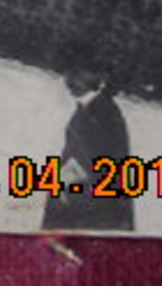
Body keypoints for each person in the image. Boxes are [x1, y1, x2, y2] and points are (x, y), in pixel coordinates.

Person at [41, 66, 135, 233]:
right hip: (85, 198)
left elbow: (97, 158)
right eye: (69, 73)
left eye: (79, 73)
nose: (69, 78)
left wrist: (64, 180)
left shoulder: (102, 110)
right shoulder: (89, 108)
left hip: (93, 204)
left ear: (97, 78)